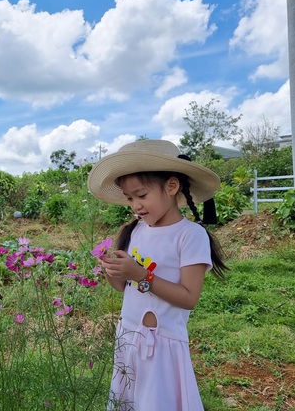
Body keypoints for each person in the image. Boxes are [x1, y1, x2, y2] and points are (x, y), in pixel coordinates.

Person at [87, 139, 227, 411]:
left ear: (172, 186)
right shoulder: (135, 231)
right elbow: (121, 286)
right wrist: (112, 269)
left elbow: (189, 298)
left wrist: (140, 275)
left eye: (141, 195)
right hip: (128, 337)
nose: (135, 206)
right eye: (129, 199)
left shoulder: (190, 235)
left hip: (162, 345)